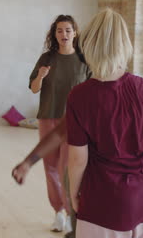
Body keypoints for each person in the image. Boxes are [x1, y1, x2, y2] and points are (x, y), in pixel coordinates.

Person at [66, 8, 143, 238]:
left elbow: (77, 159)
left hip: (103, 203)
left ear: (89, 45)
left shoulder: (79, 96)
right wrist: (133, 142)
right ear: (124, 44)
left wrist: (73, 194)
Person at [28, 14, 90, 233]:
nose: (64, 34)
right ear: (54, 34)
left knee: (67, 168)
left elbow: (93, 91)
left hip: (74, 122)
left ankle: (70, 210)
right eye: (60, 30)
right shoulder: (47, 59)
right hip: (48, 118)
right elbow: (34, 88)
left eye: (68, 30)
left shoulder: (84, 59)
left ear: (75, 33)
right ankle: (58, 212)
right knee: (50, 167)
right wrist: (41, 76)